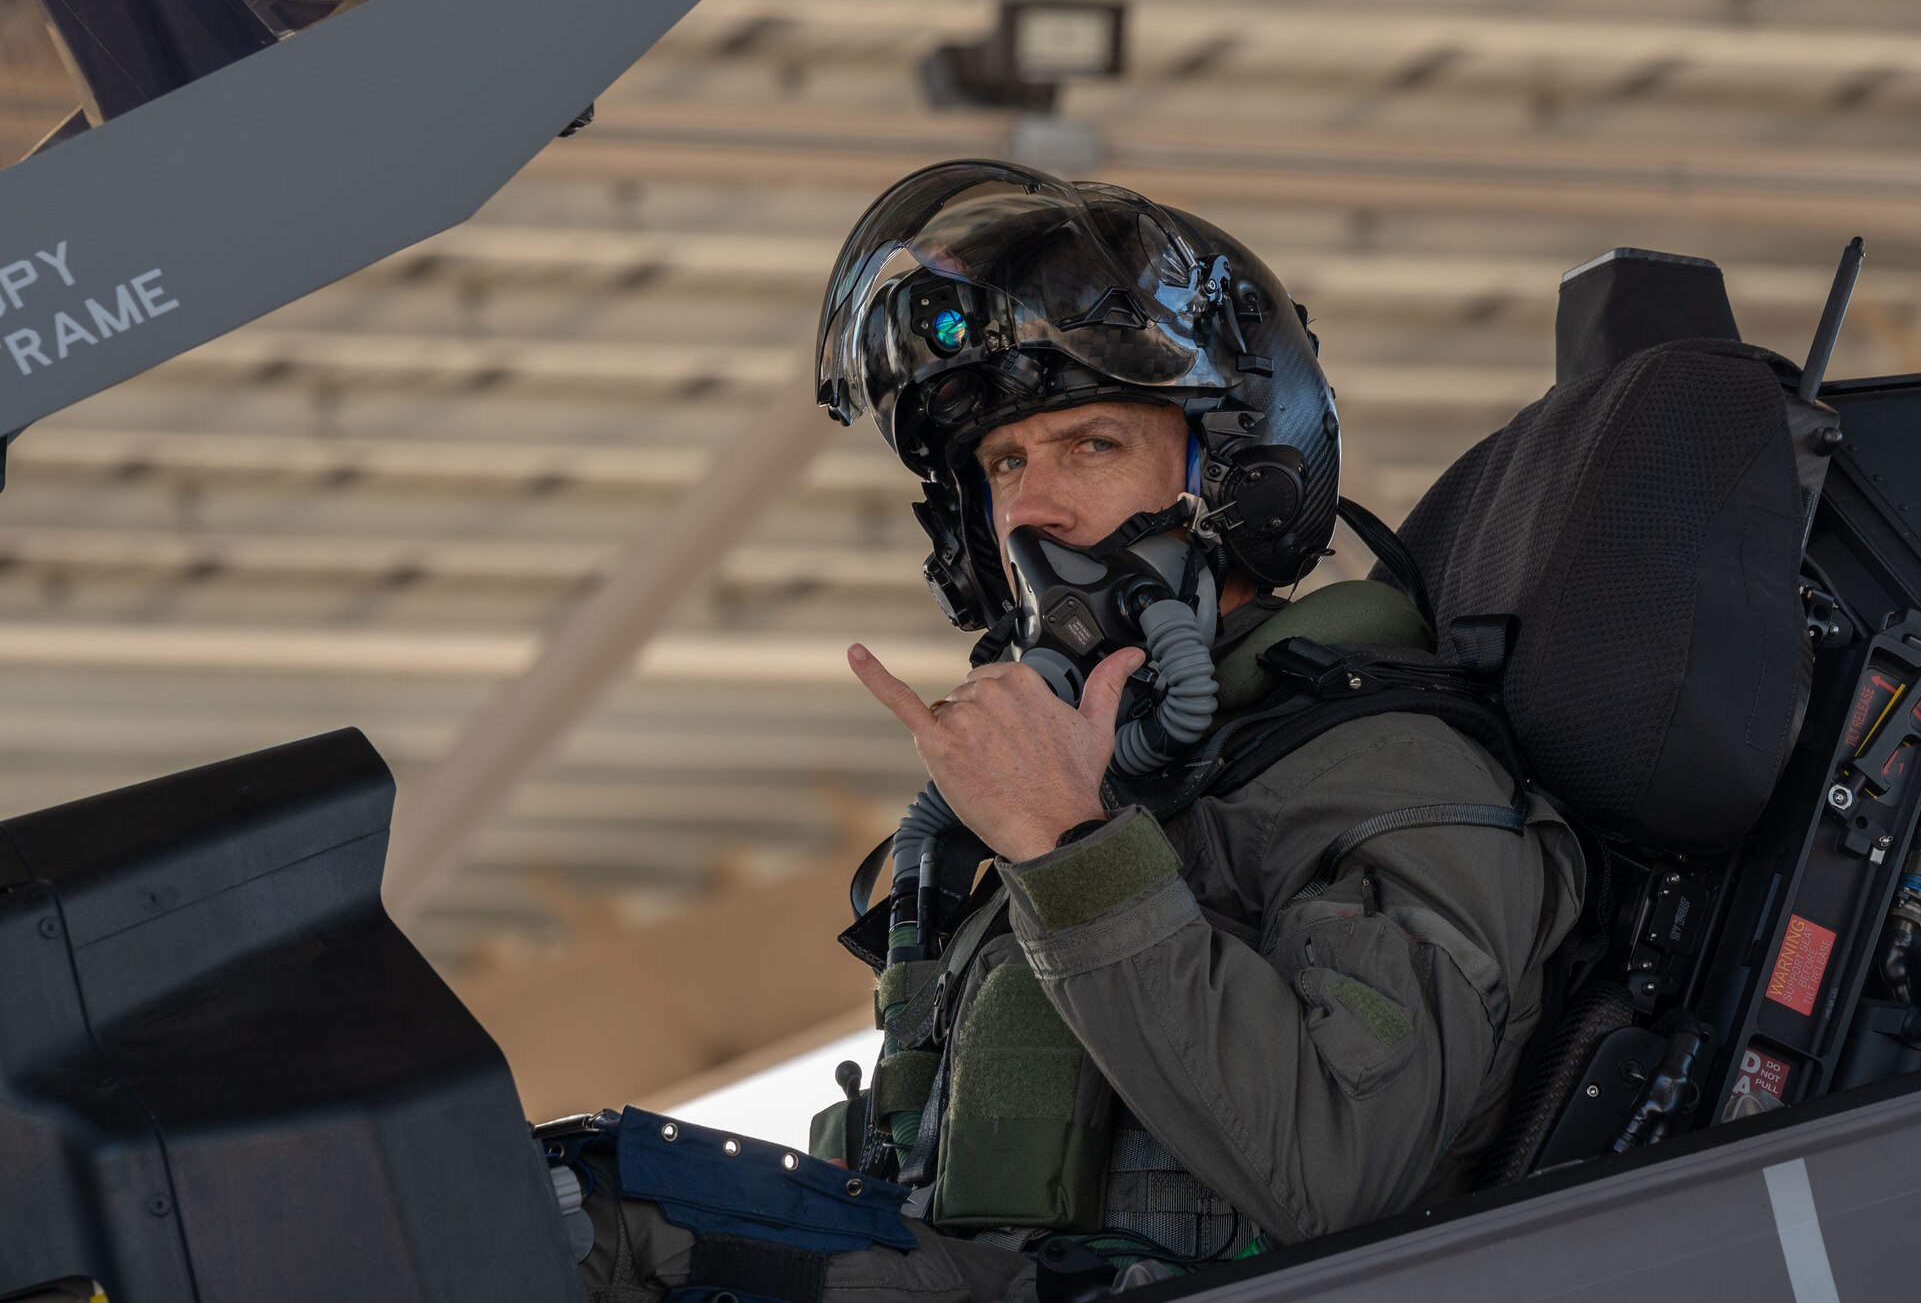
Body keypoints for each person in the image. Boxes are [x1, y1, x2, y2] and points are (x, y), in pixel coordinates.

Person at [568, 161, 1585, 1303]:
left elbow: (1329, 1172)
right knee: (557, 1207)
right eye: (1005, 462)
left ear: (1239, 478)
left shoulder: (1390, 774)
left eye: (1089, 445)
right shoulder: (1088, 798)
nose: (1032, 507)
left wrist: (1065, 845)